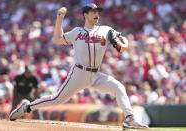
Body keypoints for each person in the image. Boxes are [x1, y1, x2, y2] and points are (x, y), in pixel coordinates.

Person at [9, 3, 148, 129]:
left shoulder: (106, 30)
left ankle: (130, 119)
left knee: (119, 88)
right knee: (57, 99)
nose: (96, 14)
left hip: (96, 74)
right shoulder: (77, 32)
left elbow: (122, 45)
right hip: (79, 73)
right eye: (93, 12)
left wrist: (124, 44)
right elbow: (58, 39)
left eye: (97, 12)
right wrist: (59, 19)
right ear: (85, 15)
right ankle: (26, 107)